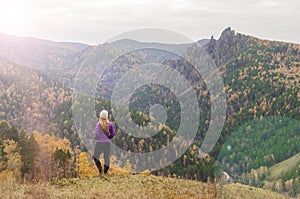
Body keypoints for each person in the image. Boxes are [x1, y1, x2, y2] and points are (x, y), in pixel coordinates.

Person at [93, 110, 115, 175]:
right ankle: (105, 171)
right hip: (107, 143)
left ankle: (100, 170)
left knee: (95, 156)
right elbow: (113, 133)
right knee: (107, 157)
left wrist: (96, 138)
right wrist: (108, 137)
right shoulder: (110, 124)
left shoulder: (98, 124)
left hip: (99, 143)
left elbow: (97, 135)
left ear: (100, 116)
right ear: (107, 117)